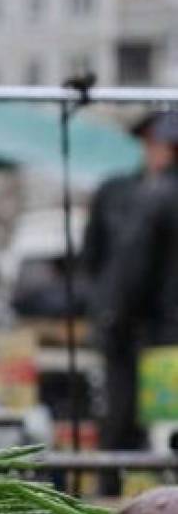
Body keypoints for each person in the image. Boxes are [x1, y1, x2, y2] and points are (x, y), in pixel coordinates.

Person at [91, 111, 178, 482]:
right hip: (156, 334)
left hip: (154, 342)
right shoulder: (126, 191)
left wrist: (112, 322)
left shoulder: (156, 196)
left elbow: (129, 270)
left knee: (143, 435)